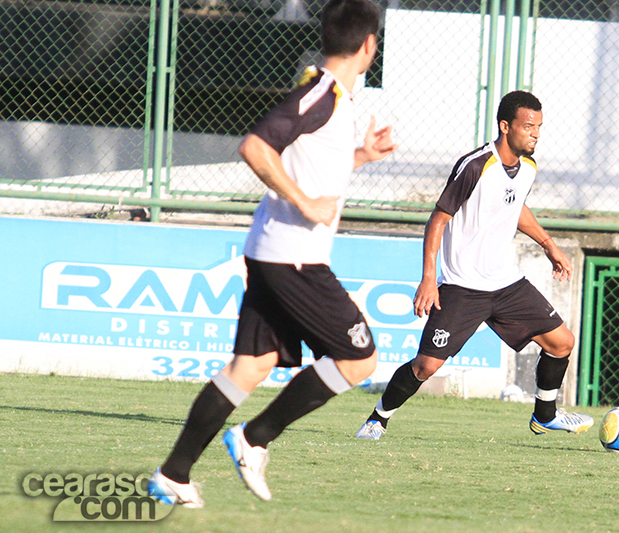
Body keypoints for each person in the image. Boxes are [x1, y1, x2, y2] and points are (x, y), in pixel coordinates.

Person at [148, 0, 396, 507]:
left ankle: (173, 473)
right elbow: (256, 147)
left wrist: (362, 156)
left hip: (274, 252)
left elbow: (314, 167)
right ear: (369, 45)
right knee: (360, 358)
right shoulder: (322, 94)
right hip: (294, 257)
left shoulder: (335, 98)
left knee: (252, 365)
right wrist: (303, 202)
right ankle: (254, 438)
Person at [355, 91, 592, 441]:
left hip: (506, 283)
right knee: (426, 366)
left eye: (539, 127)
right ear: (505, 126)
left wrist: (548, 244)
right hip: (462, 286)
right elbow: (438, 220)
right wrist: (429, 279)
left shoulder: (528, 168)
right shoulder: (476, 165)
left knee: (561, 342)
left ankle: (546, 415)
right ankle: (378, 418)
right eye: (529, 127)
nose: (536, 134)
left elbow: (515, 208)